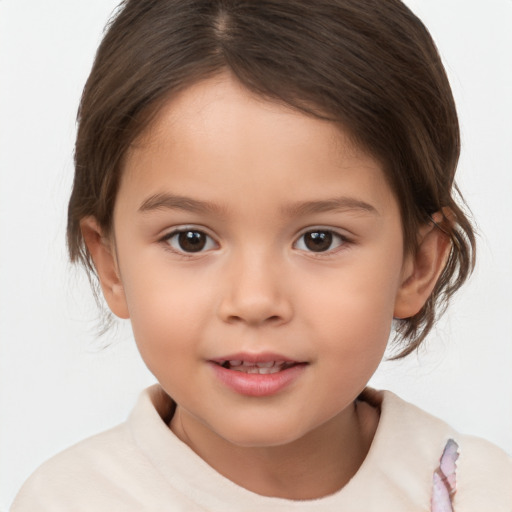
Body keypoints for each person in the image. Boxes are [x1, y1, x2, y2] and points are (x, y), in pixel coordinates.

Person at [10, 0, 512, 510]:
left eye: (320, 239)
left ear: (418, 264)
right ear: (110, 264)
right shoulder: (68, 501)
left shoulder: (477, 493)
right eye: (191, 239)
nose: (254, 301)